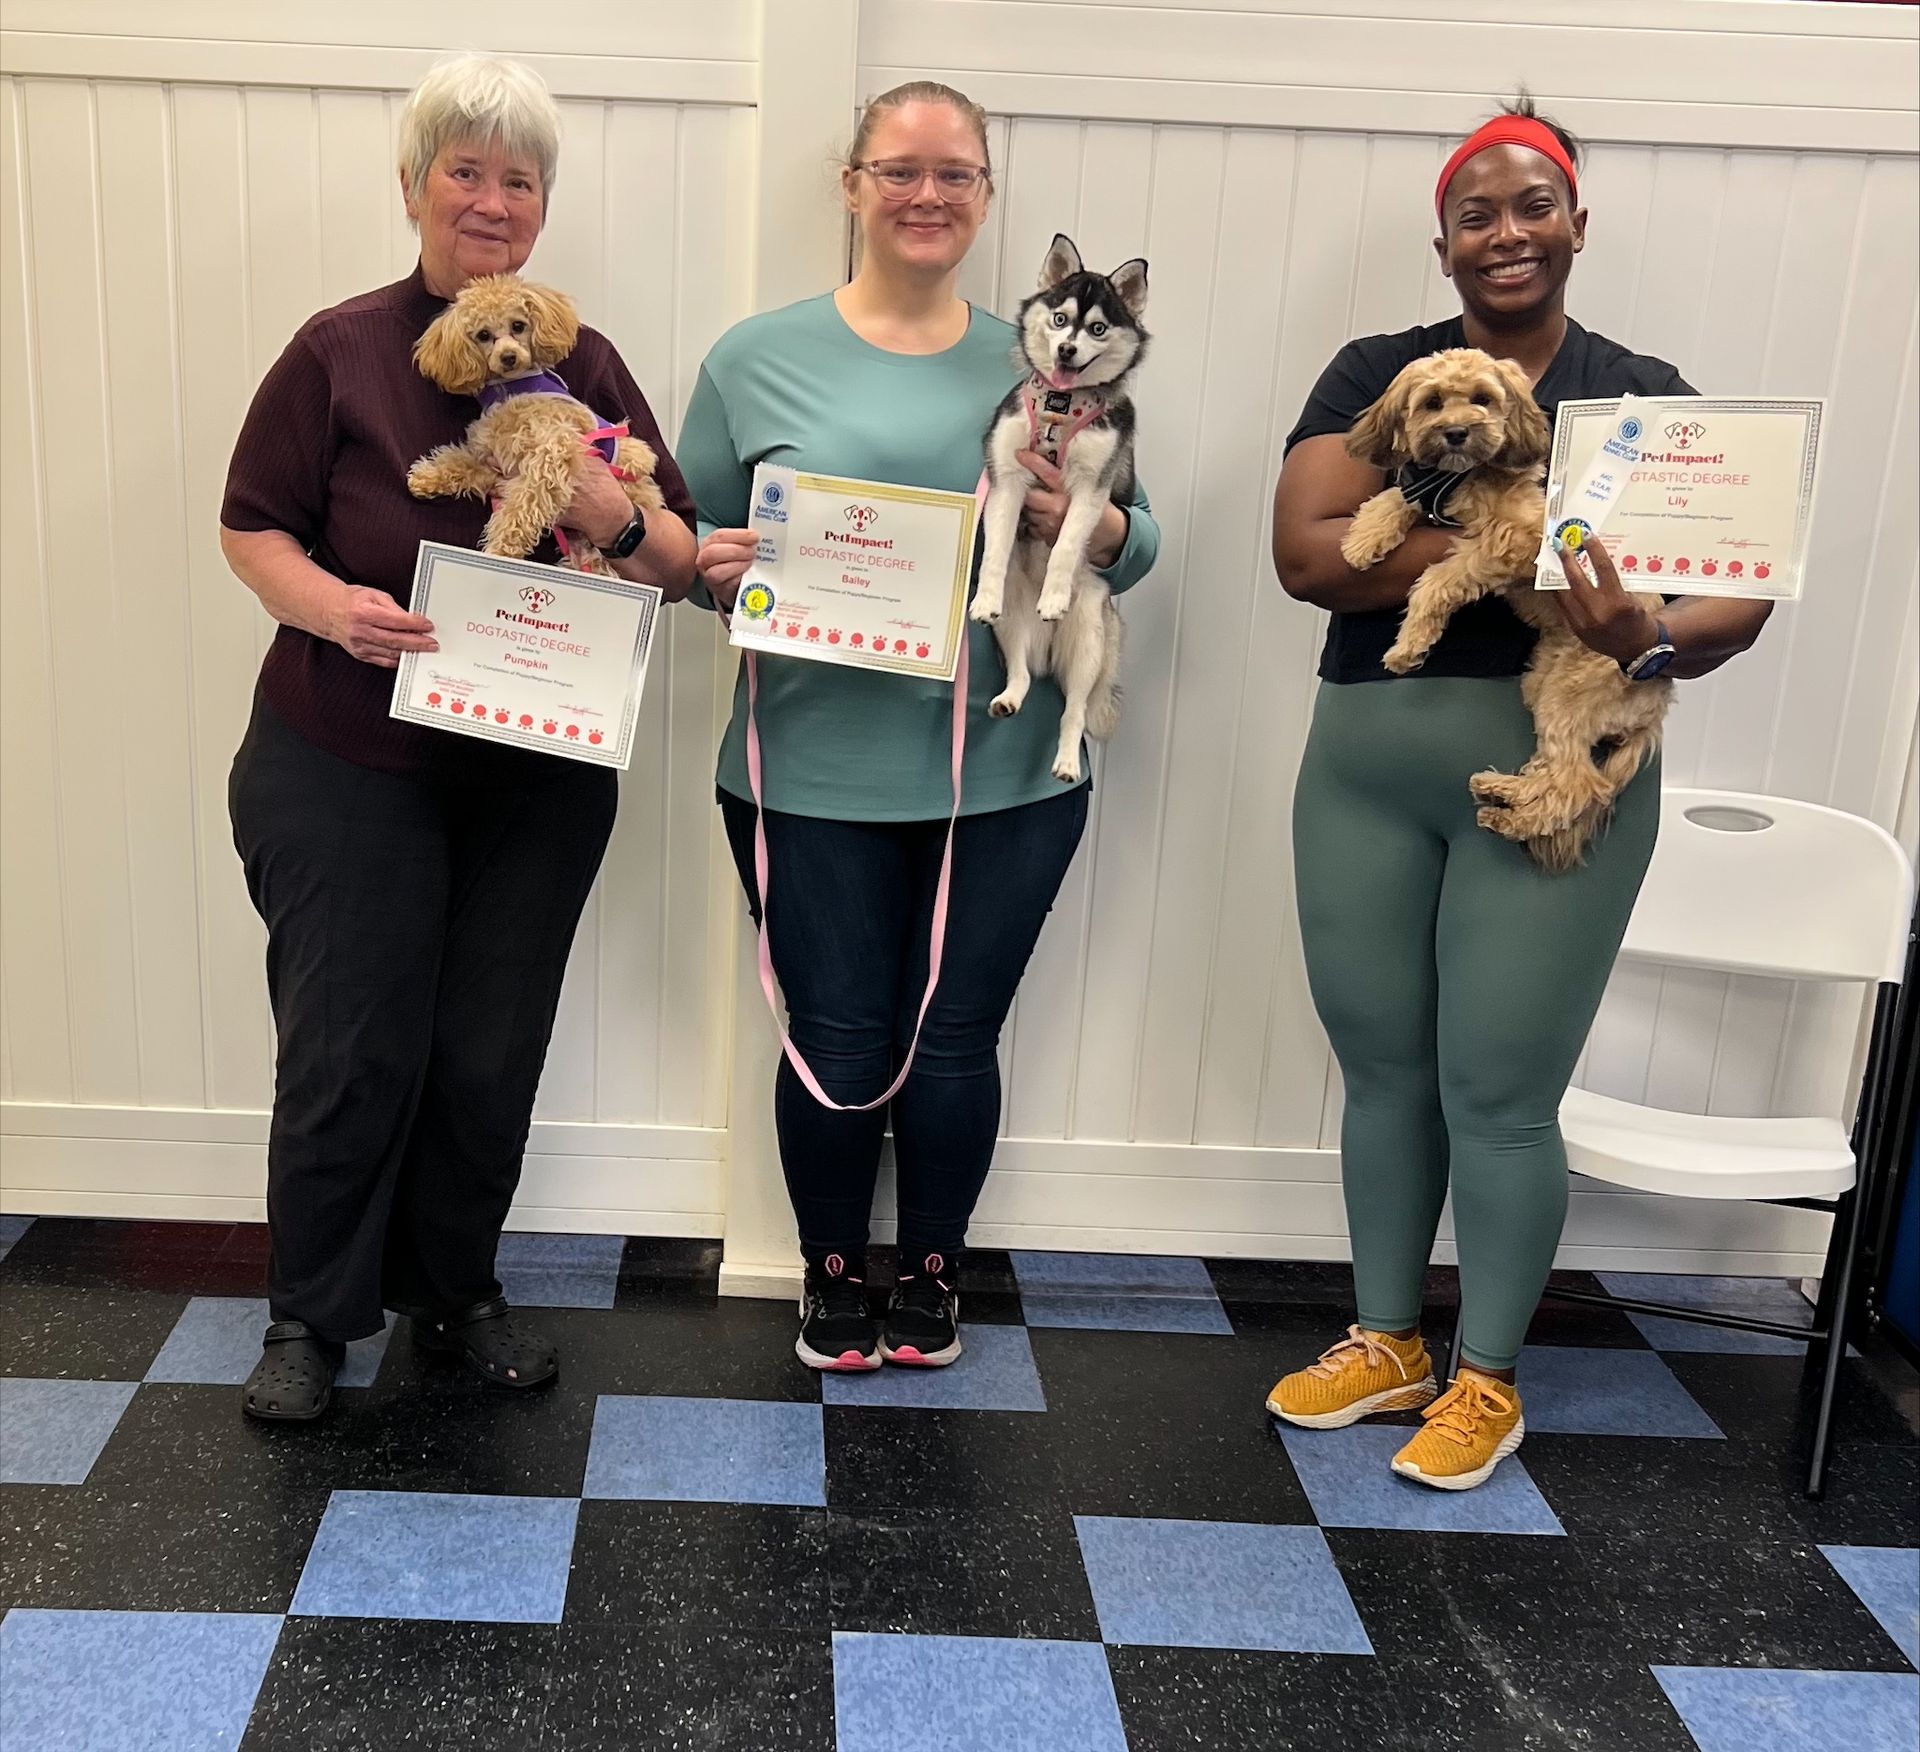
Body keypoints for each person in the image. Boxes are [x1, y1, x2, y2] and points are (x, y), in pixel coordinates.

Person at [1266, 97, 1771, 1487]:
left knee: (1498, 1092)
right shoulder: (1379, 369)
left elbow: (1729, 593)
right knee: (1382, 1071)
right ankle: (1386, 1342)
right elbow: (1308, 554)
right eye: (1477, 213)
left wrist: (1645, 634)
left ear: (1576, 225)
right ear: (1445, 243)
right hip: (1363, 767)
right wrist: (1515, 557)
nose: (1507, 232)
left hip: (1560, 769)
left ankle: (1486, 1375)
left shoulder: (1645, 393)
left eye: (1532, 205)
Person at [220, 54, 697, 1421]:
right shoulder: (339, 349)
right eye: (466, 171)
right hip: (344, 759)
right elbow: (252, 525)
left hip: (534, 775)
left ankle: (455, 1294)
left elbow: (672, 556)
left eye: (519, 179)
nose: (492, 200)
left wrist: (614, 517)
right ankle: (310, 1322)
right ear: (418, 186)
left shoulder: (585, 358)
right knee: (350, 1047)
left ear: (543, 208)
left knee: (490, 1049)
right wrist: (336, 609)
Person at [676, 82, 1160, 1372]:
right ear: (852, 185)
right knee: (833, 1039)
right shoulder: (753, 356)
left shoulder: (1052, 358)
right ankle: (831, 1275)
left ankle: (932, 1273)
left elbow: (1143, 535)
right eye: (900, 169)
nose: (927, 194)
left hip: (1005, 770)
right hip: (810, 764)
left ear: (986, 197)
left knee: (953, 1041)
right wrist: (714, 564)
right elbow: (688, 541)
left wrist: (1091, 527)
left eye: (955, 174)